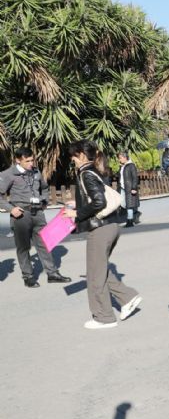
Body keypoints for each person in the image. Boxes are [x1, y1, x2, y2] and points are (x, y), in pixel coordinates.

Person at [64, 140, 142, 329]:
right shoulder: (95, 170)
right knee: (100, 270)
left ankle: (104, 317)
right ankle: (128, 297)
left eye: (73, 156)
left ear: (81, 154)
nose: (72, 160)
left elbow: (99, 202)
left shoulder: (86, 173)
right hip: (110, 226)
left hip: (100, 229)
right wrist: (80, 205)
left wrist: (77, 213)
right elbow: (97, 197)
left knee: (94, 275)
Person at [0, 147, 71, 287]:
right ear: (18, 160)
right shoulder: (8, 174)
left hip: (38, 213)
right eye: (27, 161)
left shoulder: (35, 171)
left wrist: (44, 200)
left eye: (32, 160)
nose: (31, 163)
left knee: (44, 243)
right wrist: (11, 209)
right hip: (21, 215)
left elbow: (44, 188)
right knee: (23, 247)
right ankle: (28, 276)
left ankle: (52, 273)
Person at [117, 151, 140, 228]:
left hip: (129, 188)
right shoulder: (122, 166)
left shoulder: (131, 165)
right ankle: (135, 213)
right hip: (123, 188)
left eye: (120, 158)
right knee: (123, 203)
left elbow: (135, 177)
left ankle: (129, 221)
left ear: (125, 157)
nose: (119, 160)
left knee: (129, 205)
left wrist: (134, 187)